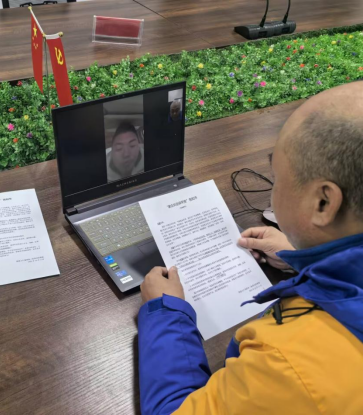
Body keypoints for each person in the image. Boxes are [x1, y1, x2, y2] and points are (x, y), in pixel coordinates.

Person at [138, 82, 363, 414]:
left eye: (277, 175)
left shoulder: (287, 366)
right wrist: (306, 258)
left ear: (323, 202)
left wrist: (165, 312)